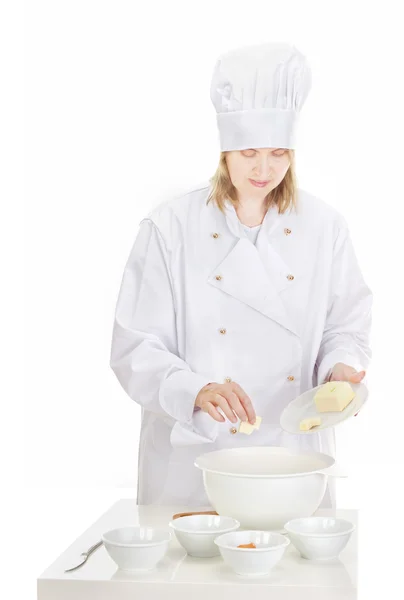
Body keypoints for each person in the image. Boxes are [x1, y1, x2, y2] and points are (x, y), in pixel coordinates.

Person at [109, 42, 372, 509]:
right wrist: (196, 390)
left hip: (292, 456)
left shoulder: (324, 227)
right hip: (197, 458)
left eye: (278, 153)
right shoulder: (170, 228)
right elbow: (134, 347)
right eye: (249, 152)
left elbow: (345, 324)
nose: (264, 169)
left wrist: (340, 367)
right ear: (225, 151)